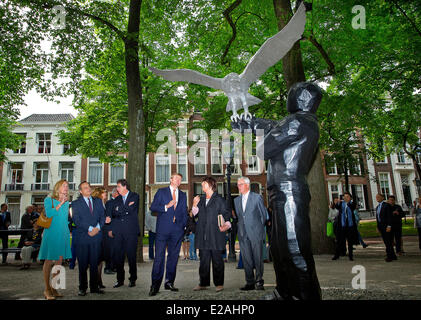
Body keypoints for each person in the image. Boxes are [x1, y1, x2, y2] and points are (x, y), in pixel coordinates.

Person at [231, 81, 323, 300]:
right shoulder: (304, 122)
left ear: (301, 98)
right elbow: (274, 126)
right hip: (282, 190)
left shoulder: (297, 121)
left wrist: (256, 132)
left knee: (294, 248)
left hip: (288, 190)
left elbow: (266, 148)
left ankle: (304, 296)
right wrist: (251, 124)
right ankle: (285, 292)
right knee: (280, 248)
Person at [149, 173, 188, 296]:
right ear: (171, 179)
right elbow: (153, 207)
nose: (178, 181)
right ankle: (155, 285)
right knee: (159, 258)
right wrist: (166, 206)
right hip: (162, 230)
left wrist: (183, 226)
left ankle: (169, 282)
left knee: (173, 258)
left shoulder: (183, 195)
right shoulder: (161, 192)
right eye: (176, 178)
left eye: (180, 179)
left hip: (177, 231)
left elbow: (184, 212)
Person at [191, 177, 231, 293]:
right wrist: (194, 205)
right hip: (203, 236)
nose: (202, 185)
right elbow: (195, 215)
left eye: (204, 183)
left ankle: (219, 284)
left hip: (216, 235)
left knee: (217, 261)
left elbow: (226, 214)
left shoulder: (219, 200)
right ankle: (203, 283)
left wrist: (226, 225)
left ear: (210, 185)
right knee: (203, 261)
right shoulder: (201, 200)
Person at [38, 180, 72, 300]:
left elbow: (64, 218)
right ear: (58, 188)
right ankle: (47, 289)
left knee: (59, 261)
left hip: (63, 233)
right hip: (51, 233)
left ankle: (54, 287)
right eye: (64, 186)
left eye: (67, 186)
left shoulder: (66, 202)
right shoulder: (49, 200)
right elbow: (50, 213)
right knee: (49, 260)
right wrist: (60, 203)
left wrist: (64, 203)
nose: (66, 188)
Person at [234, 176, 268, 291]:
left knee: (258, 259)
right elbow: (240, 217)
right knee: (247, 259)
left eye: (241, 184)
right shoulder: (236, 200)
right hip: (243, 234)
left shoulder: (257, 198)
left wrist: (257, 228)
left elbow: (263, 216)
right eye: (238, 185)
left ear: (247, 185)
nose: (238, 187)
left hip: (255, 233)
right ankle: (250, 282)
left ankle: (259, 282)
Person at [72, 182, 105, 296]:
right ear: (80, 191)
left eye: (89, 187)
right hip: (83, 237)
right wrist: (90, 228)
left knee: (95, 264)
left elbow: (102, 216)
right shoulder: (75, 203)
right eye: (85, 188)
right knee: (83, 264)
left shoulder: (98, 201)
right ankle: (83, 288)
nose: (88, 189)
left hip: (96, 237)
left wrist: (98, 228)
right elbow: (77, 220)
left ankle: (94, 287)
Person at [108, 179, 140, 288]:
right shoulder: (116, 199)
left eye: (118, 187)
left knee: (131, 257)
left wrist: (120, 209)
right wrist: (124, 209)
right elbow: (113, 212)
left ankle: (132, 279)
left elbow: (131, 210)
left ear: (125, 186)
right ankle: (120, 280)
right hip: (119, 232)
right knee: (119, 257)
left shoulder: (135, 196)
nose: (117, 189)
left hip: (131, 232)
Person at [332, 192, 359, 261]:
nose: (345, 198)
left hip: (350, 225)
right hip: (342, 225)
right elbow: (336, 207)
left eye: (347, 196)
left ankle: (351, 256)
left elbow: (353, 208)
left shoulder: (352, 204)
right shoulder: (341, 203)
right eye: (344, 196)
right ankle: (337, 255)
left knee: (350, 242)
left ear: (350, 198)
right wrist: (336, 202)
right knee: (339, 241)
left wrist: (348, 203)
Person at [91, 187, 108, 288]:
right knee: (96, 260)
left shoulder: (102, 203)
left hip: (102, 234)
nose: (106, 194)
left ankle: (99, 281)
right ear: (99, 193)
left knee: (100, 260)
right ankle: (95, 282)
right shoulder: (97, 204)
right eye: (104, 192)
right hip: (96, 234)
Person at [376, 194, 397, 262]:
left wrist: (389, 226)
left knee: (388, 241)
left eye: (378, 197)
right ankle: (393, 255)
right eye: (376, 197)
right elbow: (378, 218)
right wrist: (378, 227)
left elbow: (389, 216)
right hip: (381, 226)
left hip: (386, 226)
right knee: (386, 241)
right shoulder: (377, 207)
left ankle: (389, 256)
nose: (377, 198)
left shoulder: (386, 205)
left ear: (382, 198)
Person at [104, 188, 119, 274]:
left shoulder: (119, 202)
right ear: (114, 194)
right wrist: (109, 229)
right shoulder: (109, 203)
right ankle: (108, 267)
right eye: (117, 193)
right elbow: (108, 216)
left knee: (116, 249)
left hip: (118, 230)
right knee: (110, 250)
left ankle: (114, 266)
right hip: (111, 229)